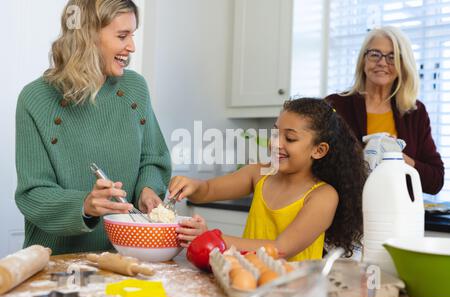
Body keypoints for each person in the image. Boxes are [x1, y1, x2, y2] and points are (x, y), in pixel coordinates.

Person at [15, 0, 171, 255]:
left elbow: (152, 158)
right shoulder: (35, 99)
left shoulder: (135, 89)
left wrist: (148, 188)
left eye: (132, 35)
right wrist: (85, 205)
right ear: (87, 37)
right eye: (122, 36)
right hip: (55, 261)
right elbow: (33, 193)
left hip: (123, 257)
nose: (131, 47)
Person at [171, 98, 367, 261]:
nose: (275, 143)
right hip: (248, 280)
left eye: (289, 138)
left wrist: (213, 238)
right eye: (275, 133)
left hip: (294, 292)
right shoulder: (259, 173)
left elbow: (281, 249)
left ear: (319, 150)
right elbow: (206, 191)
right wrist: (192, 185)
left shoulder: (323, 196)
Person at [326, 26, 444, 195]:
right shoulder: (335, 104)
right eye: (375, 54)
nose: (382, 62)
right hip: (347, 212)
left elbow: (435, 181)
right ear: (363, 59)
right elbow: (315, 163)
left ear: (403, 65)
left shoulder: (414, 112)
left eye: (392, 57)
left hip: (398, 212)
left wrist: (397, 158)